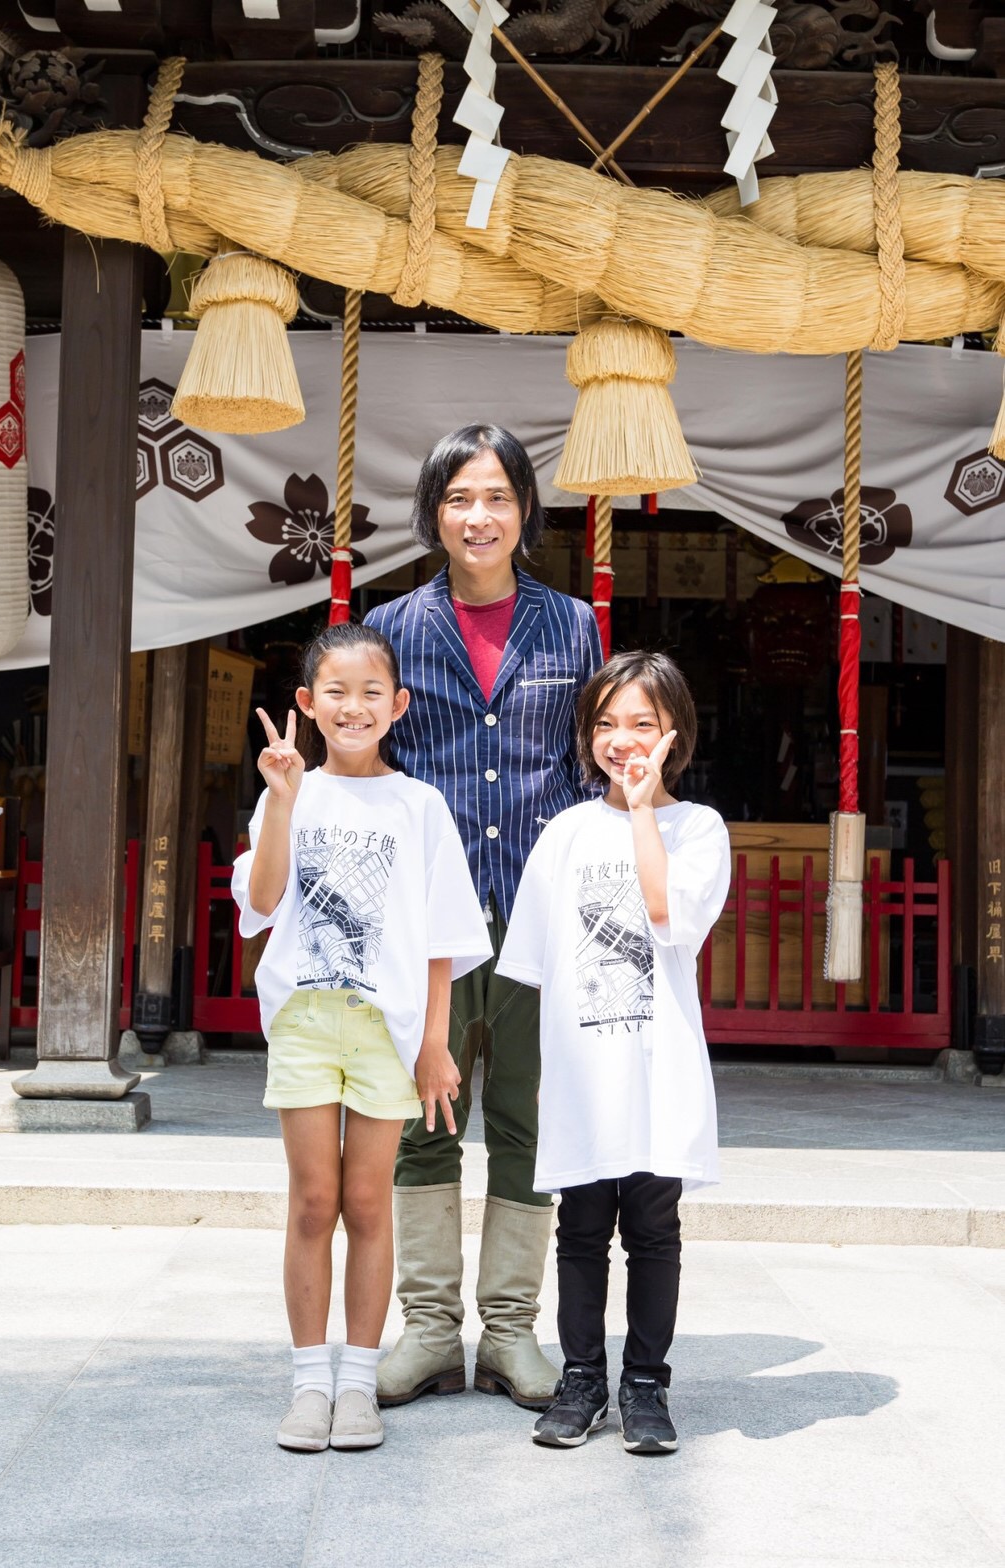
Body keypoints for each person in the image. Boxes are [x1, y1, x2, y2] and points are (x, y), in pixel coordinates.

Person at [364, 425, 603, 1410]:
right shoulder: (393, 627)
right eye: (460, 496)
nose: (479, 515)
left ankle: (510, 1332)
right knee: (423, 1117)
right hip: (427, 912)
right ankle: (427, 1328)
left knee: (527, 1115)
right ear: (434, 511)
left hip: (540, 909)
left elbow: (596, 764)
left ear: (524, 511)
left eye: (497, 495)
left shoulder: (575, 626)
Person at [231, 623, 491, 1453]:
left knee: (369, 1201)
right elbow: (263, 903)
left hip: (388, 1026)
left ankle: (357, 1385)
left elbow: (443, 935)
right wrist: (278, 796)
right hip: (308, 1019)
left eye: (370, 692)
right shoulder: (291, 794)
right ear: (307, 704)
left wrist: (436, 1044)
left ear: (398, 706)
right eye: (334, 693)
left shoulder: (419, 805)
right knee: (313, 1202)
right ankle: (311, 1381)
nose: (353, 707)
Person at [496, 650, 731, 1453]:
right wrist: (531, 1081)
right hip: (581, 1073)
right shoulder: (563, 833)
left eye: (642, 724)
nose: (622, 740)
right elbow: (527, 969)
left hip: (657, 1072)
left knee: (654, 1232)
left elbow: (667, 915)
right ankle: (583, 1379)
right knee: (582, 1229)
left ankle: (646, 1387)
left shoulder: (697, 828)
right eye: (606, 725)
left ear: (676, 734)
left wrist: (639, 810)